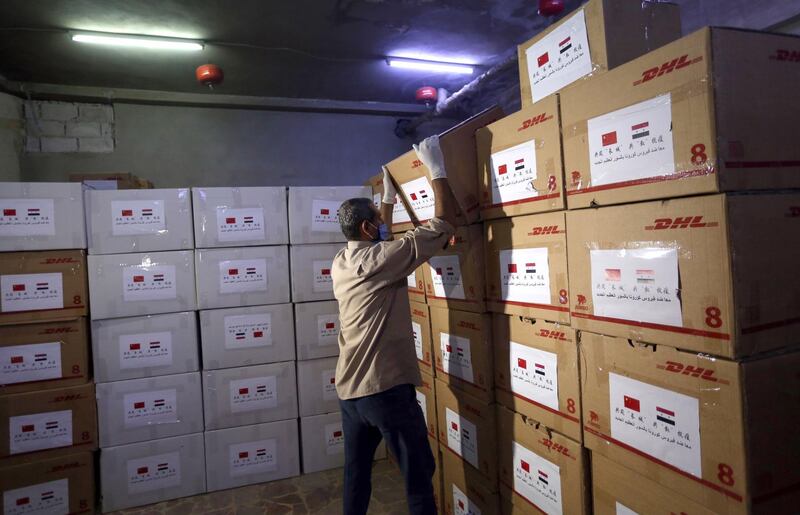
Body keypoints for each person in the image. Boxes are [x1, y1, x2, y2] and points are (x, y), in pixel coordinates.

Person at [332, 135, 461, 515]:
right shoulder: (382, 261)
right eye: (377, 219)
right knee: (419, 477)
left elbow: (377, 241)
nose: (382, 224)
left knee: (356, 476)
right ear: (369, 230)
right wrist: (437, 169)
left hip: (350, 392)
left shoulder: (342, 261)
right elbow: (442, 225)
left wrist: (386, 200)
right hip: (385, 391)